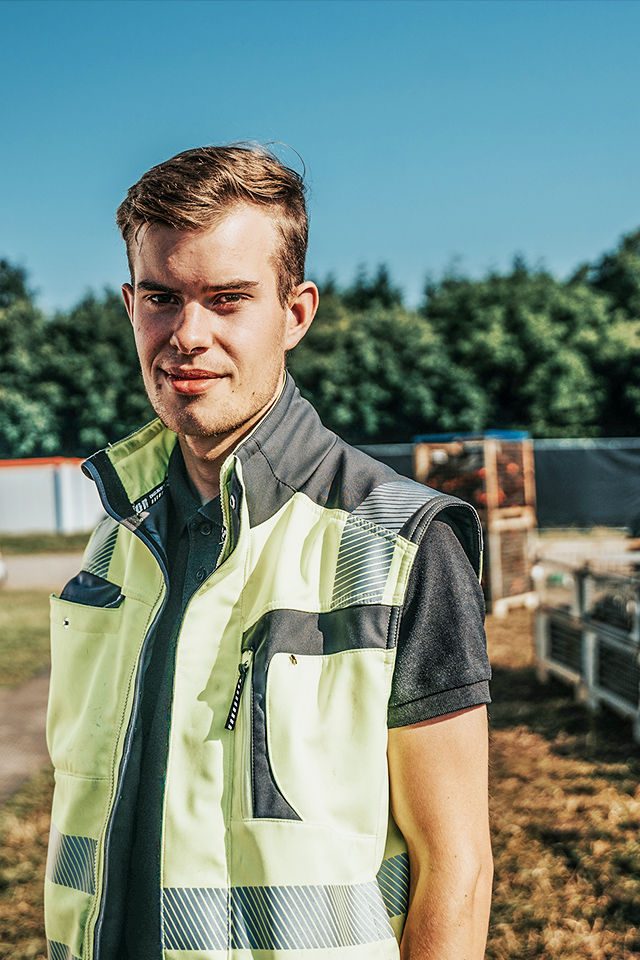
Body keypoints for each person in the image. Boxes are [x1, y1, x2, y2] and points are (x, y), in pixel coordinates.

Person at [45, 145, 493, 960]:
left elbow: (454, 868)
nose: (188, 335)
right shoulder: (117, 540)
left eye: (227, 300)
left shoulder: (401, 543)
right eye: (161, 298)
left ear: (295, 313)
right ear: (129, 305)